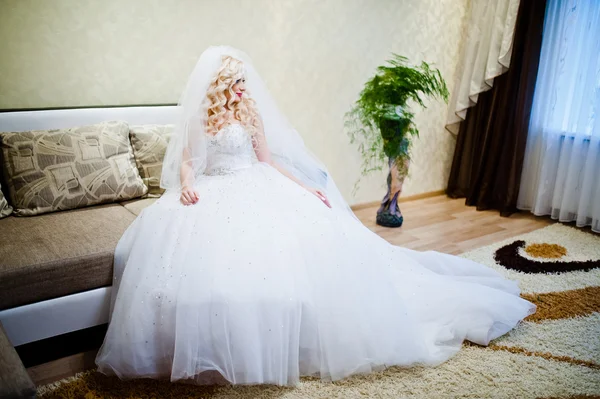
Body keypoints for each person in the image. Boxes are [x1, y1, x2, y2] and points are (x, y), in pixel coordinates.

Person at [95, 46, 535, 386]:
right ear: (221, 84)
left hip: (255, 181)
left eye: (246, 81)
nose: (246, 88)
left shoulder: (250, 113)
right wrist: (188, 183)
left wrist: (306, 187)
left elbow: (266, 159)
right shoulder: (201, 117)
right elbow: (190, 161)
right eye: (238, 82)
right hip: (215, 188)